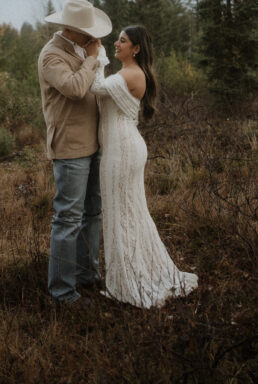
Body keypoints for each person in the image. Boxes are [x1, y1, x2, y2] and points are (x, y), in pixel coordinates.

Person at [90, 24, 198, 308]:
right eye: (117, 40)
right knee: (129, 211)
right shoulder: (131, 73)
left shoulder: (130, 74)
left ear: (135, 48)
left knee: (119, 212)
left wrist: (97, 55)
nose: (116, 43)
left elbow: (96, 87)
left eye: (122, 41)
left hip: (122, 150)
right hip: (125, 147)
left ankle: (127, 282)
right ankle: (135, 271)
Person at [37, 0, 112, 306]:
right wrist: (92, 59)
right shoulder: (51, 56)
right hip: (70, 148)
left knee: (92, 214)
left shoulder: (81, 50)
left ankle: (87, 276)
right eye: (88, 33)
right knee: (68, 219)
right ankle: (62, 293)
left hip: (94, 144)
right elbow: (75, 89)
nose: (93, 39)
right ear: (72, 30)